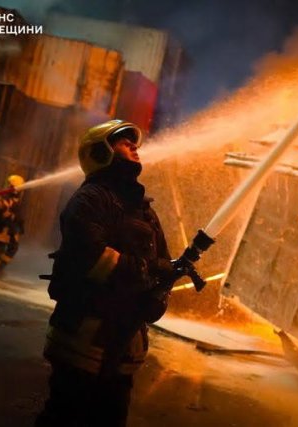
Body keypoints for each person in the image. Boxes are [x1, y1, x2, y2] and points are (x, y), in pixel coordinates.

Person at [36, 120, 176, 427]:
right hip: (84, 339)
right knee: (65, 417)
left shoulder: (144, 209)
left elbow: (161, 259)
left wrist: (161, 288)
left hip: (124, 344)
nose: (134, 146)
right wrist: (147, 270)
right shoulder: (91, 199)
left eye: (132, 141)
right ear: (101, 153)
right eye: (124, 142)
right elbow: (92, 257)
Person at [0, 174, 25, 279]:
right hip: (3, 227)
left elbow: (18, 215)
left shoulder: (16, 199)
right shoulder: (4, 198)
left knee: (13, 248)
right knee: (0, 249)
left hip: (13, 229)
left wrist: (20, 227)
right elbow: (1, 212)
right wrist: (10, 216)